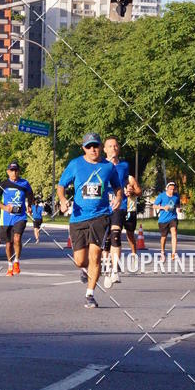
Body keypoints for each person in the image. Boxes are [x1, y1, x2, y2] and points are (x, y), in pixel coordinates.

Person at [57, 132, 122, 308]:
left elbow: (118, 186)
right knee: (80, 260)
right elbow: (61, 185)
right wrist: (62, 200)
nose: (93, 149)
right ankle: (85, 270)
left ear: (100, 147)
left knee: (95, 256)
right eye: (89, 146)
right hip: (78, 217)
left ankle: (90, 294)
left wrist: (118, 197)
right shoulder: (75, 164)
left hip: (101, 216)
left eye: (96, 146)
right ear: (84, 148)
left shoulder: (108, 167)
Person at [102, 136, 141, 287]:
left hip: (120, 205)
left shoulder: (124, 165)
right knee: (105, 241)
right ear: (104, 149)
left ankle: (115, 270)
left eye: (115, 146)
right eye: (110, 146)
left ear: (118, 148)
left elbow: (128, 182)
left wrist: (130, 189)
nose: (113, 148)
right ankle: (107, 269)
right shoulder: (100, 164)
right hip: (102, 206)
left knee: (116, 235)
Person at [0, 161, 34, 276]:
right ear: (8, 172)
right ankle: (10, 265)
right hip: (6, 218)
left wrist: (29, 205)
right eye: (12, 170)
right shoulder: (3, 184)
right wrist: (4, 207)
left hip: (20, 216)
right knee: (8, 244)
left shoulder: (24, 183)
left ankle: (16, 261)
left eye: (16, 170)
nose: (14, 173)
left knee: (17, 238)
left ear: (19, 171)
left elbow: (30, 194)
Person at [153, 181, 181, 259]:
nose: (172, 191)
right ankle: (162, 251)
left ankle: (174, 253)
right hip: (163, 220)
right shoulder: (161, 196)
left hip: (173, 218)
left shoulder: (176, 196)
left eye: (173, 189)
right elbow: (154, 206)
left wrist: (179, 208)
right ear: (167, 189)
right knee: (164, 237)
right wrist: (163, 207)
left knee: (174, 232)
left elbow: (178, 204)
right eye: (170, 189)